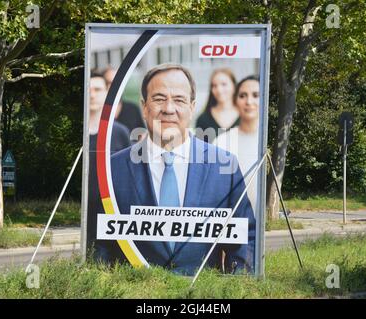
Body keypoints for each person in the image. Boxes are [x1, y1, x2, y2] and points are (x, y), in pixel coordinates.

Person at [97, 64, 256, 275]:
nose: (169, 108)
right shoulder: (112, 170)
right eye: (159, 99)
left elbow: (244, 240)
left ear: (192, 107)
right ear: (144, 106)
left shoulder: (224, 166)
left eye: (179, 100)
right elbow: (100, 246)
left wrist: (233, 291)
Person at [87, 71, 131, 253]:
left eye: (97, 89)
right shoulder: (77, 134)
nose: (92, 94)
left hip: (109, 213)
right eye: (88, 90)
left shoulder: (120, 132)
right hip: (81, 214)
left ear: (107, 93)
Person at [213, 76, 260, 211]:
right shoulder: (221, 142)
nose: (249, 101)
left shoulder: (271, 143)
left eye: (256, 95)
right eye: (242, 96)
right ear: (235, 101)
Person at [195, 69, 239, 143]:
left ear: (234, 86)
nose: (219, 89)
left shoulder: (245, 116)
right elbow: (199, 150)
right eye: (214, 86)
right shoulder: (203, 119)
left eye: (224, 84)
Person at [104, 67, 146, 138]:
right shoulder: (97, 111)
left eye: (118, 82)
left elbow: (142, 134)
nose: (115, 86)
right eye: (109, 83)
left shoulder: (132, 109)